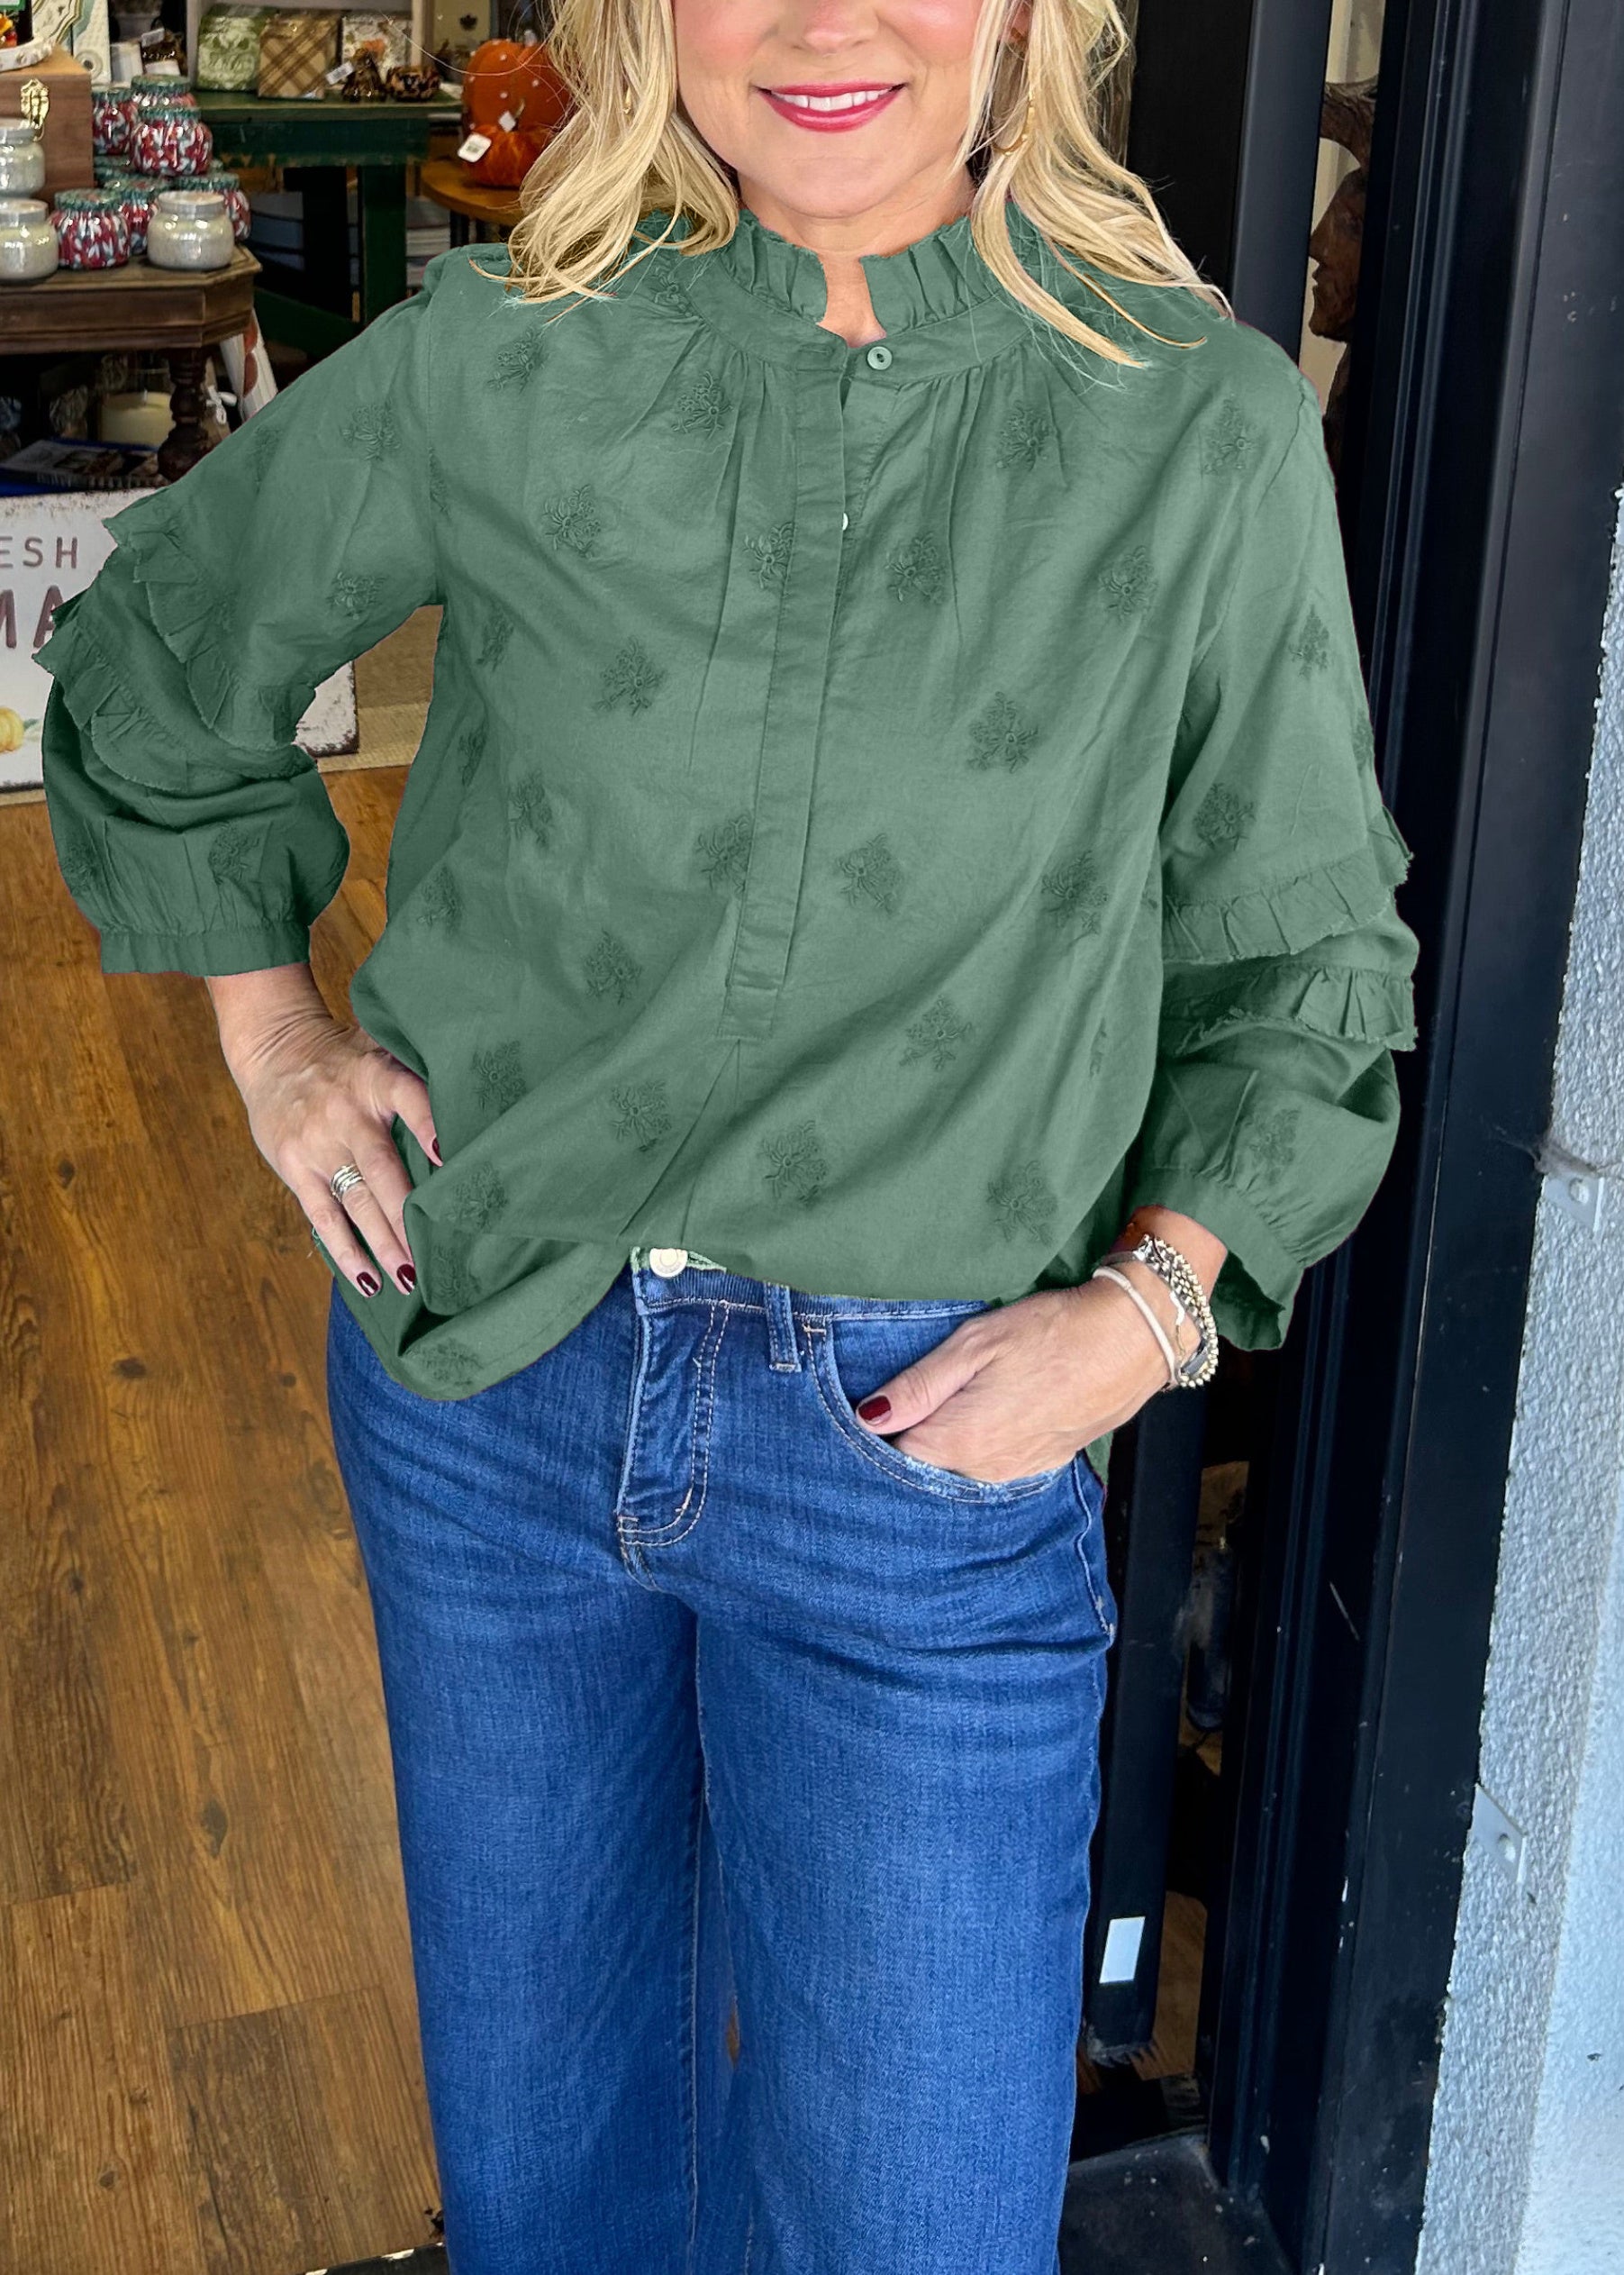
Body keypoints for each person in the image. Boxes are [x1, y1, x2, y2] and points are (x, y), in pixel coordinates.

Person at [33, 0, 1420, 2261]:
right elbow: (164, 656)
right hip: (491, 1383)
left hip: (919, 1452)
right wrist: (272, 1035)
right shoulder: (508, 357)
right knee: (553, 2186)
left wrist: (1147, 1314)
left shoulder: (1193, 425)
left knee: (911, 2223)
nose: (822, 23)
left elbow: (1301, 956)